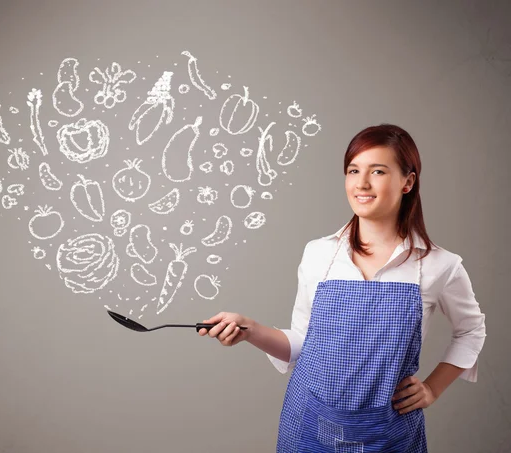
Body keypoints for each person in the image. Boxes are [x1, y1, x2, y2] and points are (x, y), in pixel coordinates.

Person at [198, 124, 487, 452]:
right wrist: (251, 330)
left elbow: (471, 331)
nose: (361, 183)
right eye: (353, 170)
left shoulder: (439, 265)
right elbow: (304, 344)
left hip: (388, 434)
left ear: (408, 181)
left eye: (378, 171)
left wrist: (433, 388)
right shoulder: (318, 253)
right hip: (308, 425)